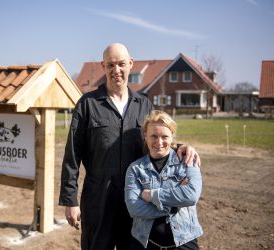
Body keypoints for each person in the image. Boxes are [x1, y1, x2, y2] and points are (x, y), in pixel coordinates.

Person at [59, 43, 200, 250]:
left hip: (135, 200)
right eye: (111, 65)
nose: (116, 70)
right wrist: (70, 200)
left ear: (131, 64)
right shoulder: (88, 104)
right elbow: (72, 155)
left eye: (121, 64)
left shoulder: (144, 104)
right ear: (103, 66)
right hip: (99, 200)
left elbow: (156, 138)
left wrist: (181, 147)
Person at [125, 110, 203, 249]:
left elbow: (191, 196)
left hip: (184, 240)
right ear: (145, 136)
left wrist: (151, 196)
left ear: (172, 136)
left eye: (164, 136)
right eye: (153, 136)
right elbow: (134, 208)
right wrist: (174, 205)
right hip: (145, 242)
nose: (159, 142)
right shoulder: (135, 169)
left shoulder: (187, 160)